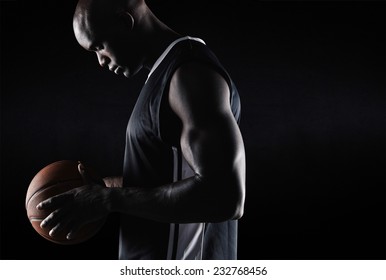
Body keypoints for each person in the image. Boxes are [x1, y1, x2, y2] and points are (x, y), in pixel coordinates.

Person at [37, 0, 246, 260]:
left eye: (100, 46)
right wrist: (103, 189)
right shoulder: (169, 74)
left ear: (126, 22)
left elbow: (224, 195)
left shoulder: (190, 75)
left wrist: (108, 200)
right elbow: (164, 180)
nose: (100, 61)